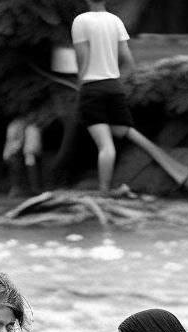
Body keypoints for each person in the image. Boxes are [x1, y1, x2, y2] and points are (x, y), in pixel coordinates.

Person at [71, 1, 137, 195]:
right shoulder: (116, 21)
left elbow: (83, 57)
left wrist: (80, 83)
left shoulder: (80, 21)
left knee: (105, 146)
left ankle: (103, 191)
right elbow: (128, 60)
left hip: (92, 88)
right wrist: (119, 80)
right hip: (114, 87)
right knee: (120, 130)